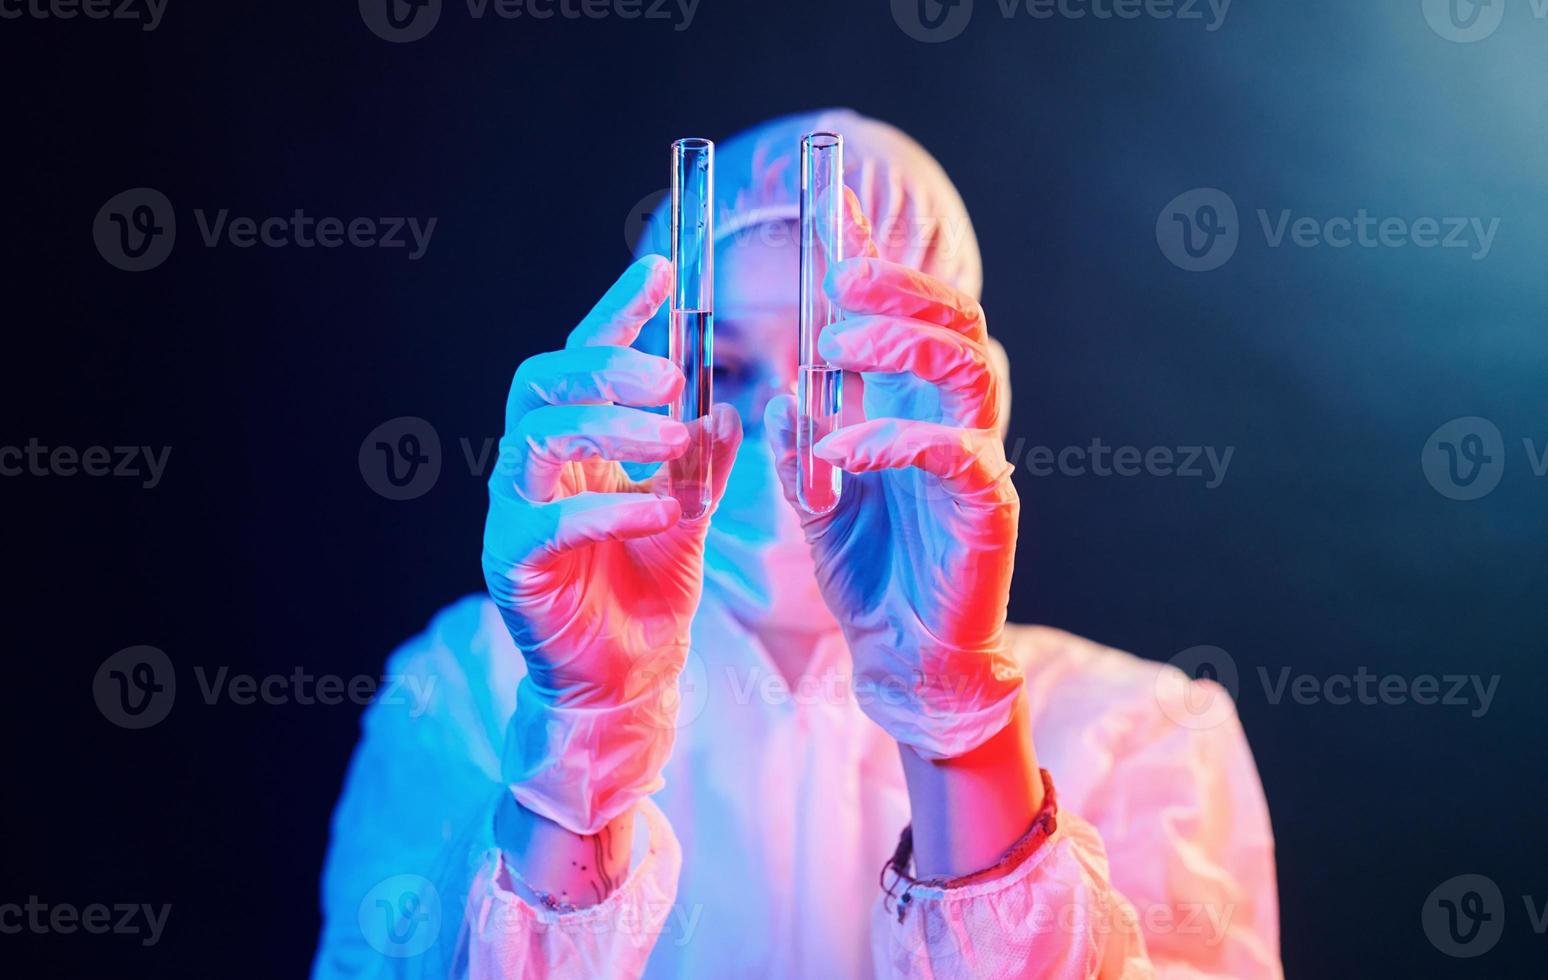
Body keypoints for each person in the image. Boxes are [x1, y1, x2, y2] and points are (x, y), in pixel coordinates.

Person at [312, 109, 1281, 979]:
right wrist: (578, 741)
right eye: (721, 366)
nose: (782, 424)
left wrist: (960, 724)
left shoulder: (1145, 730)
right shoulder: (476, 681)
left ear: (960, 386)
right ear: (644, 378)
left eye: (842, 365)